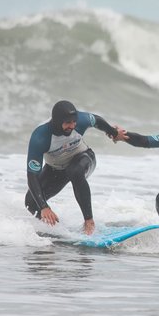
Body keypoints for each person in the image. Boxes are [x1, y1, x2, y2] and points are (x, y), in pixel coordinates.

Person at [25, 100, 122, 235]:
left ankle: (89, 222)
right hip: (56, 169)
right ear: (57, 122)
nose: (72, 126)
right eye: (68, 123)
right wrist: (44, 207)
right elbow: (32, 176)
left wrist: (114, 133)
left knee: (74, 171)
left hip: (84, 158)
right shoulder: (40, 137)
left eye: (74, 122)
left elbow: (97, 121)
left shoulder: (81, 120)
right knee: (31, 202)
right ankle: (57, 230)